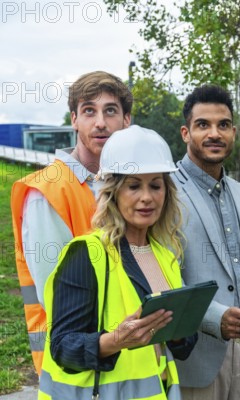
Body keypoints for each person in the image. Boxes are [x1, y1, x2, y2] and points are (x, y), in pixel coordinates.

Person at [38, 125, 197, 399]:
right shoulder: (87, 254)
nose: (147, 197)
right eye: (133, 186)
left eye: (155, 185)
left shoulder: (165, 256)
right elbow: (63, 347)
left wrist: (179, 331)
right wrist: (114, 341)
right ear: (112, 192)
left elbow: (181, 345)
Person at [11, 71, 132, 375]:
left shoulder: (128, 186)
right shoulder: (50, 190)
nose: (100, 122)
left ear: (126, 120)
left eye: (110, 111)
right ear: (74, 119)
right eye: (89, 111)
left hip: (123, 357)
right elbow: (54, 294)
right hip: (74, 366)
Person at [172, 84, 240, 399]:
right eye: (203, 125)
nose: (215, 133)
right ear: (186, 133)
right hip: (197, 358)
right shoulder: (164, 193)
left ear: (233, 132)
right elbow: (161, 280)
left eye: (223, 125)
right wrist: (215, 318)